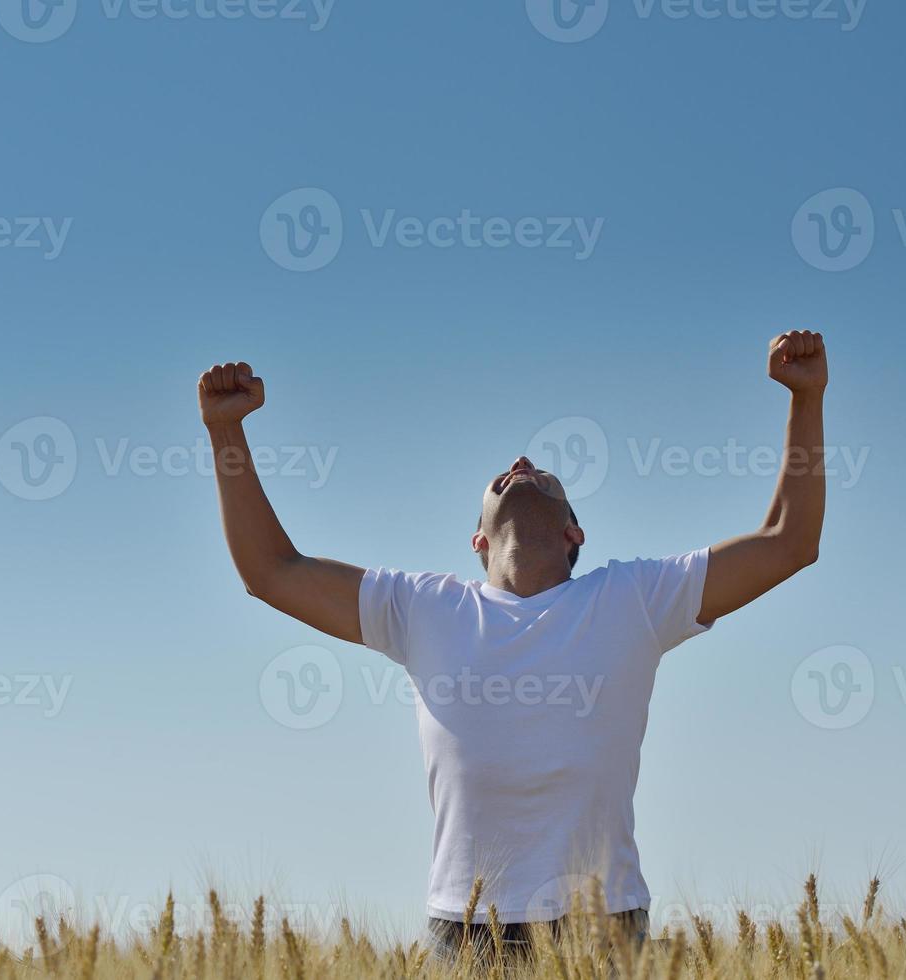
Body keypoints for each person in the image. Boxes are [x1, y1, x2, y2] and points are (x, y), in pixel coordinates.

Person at [197, 331, 828, 956]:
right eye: (507, 471)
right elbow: (271, 572)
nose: (521, 463)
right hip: (464, 927)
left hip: (601, 926)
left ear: (573, 532)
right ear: (477, 543)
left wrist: (806, 399)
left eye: (543, 473)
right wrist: (226, 434)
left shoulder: (634, 597)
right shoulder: (423, 606)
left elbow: (787, 541)